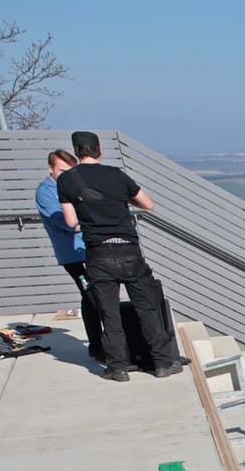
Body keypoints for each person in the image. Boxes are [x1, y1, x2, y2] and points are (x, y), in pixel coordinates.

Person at [56, 130, 178, 382]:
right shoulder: (116, 175)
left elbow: (70, 221)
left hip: (98, 253)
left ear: (77, 152)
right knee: (146, 308)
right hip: (127, 249)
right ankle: (163, 363)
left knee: (109, 313)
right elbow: (148, 204)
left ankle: (117, 368)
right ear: (99, 150)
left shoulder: (67, 181)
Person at [35, 149, 105, 360]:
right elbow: (65, 222)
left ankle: (101, 343)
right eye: (62, 170)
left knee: (97, 295)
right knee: (91, 295)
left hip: (88, 247)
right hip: (72, 254)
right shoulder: (45, 192)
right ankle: (97, 345)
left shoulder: (73, 186)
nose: (66, 175)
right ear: (50, 169)